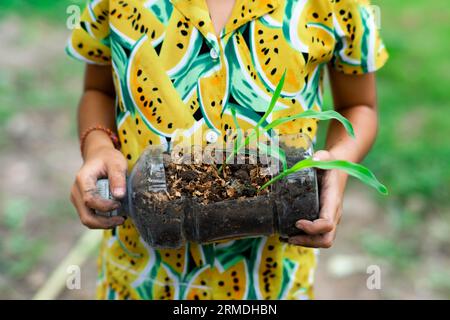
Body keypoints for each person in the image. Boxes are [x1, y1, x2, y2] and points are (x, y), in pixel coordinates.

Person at [67, 0, 388, 299]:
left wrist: (339, 164)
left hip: (271, 280)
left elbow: (358, 105)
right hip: (142, 275)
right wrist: (97, 147)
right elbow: (98, 90)